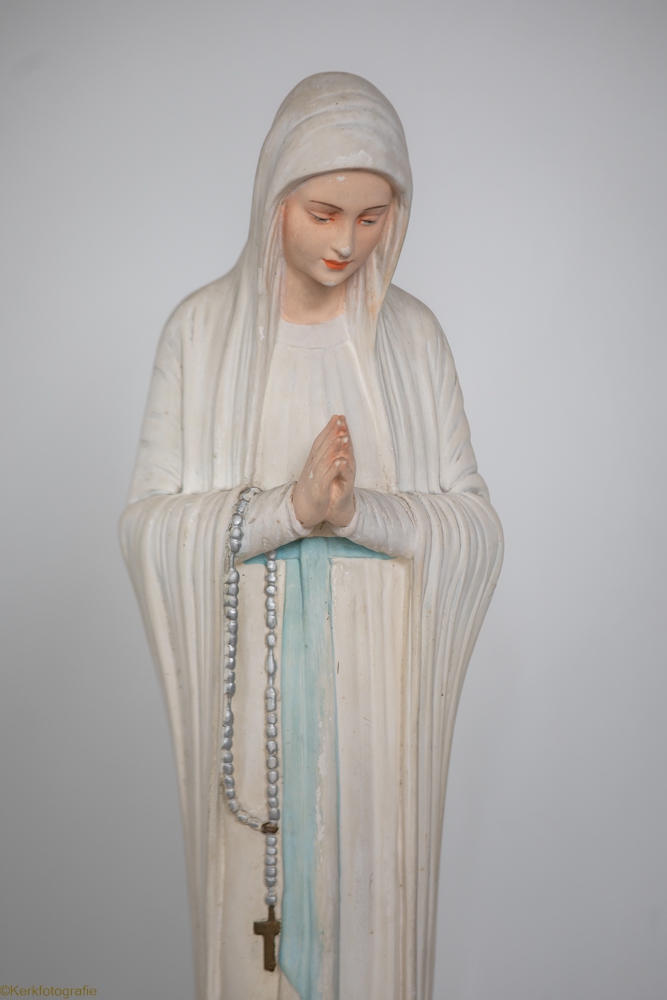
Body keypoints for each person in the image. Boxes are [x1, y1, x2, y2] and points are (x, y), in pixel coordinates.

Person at [120, 71, 503, 1000]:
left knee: (370, 928)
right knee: (254, 948)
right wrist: (286, 512)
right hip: (250, 696)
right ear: (274, 199)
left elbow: (474, 527)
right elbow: (146, 527)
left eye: (373, 218)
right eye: (324, 213)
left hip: (376, 705)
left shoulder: (413, 341)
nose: (346, 243)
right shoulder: (201, 335)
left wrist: (356, 514)